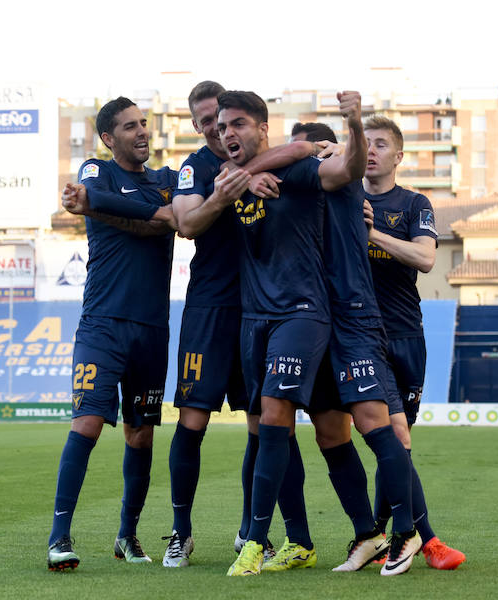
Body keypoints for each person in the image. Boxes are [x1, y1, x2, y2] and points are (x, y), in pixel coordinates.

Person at [221, 90, 419, 577]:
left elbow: (345, 163)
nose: (298, 157)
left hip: (354, 315)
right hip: (316, 319)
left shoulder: (333, 171)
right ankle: (367, 534)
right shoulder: (288, 182)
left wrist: (350, 129)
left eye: (310, 149)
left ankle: (412, 532)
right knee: (330, 431)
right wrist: (254, 172)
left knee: (383, 426)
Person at [162, 81, 303, 568]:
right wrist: (225, 194)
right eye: (206, 122)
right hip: (210, 307)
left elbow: (303, 157)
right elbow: (186, 223)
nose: (215, 129)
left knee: (261, 421)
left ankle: (249, 531)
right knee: (193, 420)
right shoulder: (196, 168)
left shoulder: (267, 161)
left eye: (220, 120)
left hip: (262, 308)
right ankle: (181, 532)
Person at [46, 96, 178, 571]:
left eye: (143, 123)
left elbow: (177, 213)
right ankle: (59, 537)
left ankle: (127, 535)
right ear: (108, 138)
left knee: (140, 435)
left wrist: (113, 209)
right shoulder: (96, 170)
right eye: (129, 126)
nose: (142, 132)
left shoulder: (168, 180)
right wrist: (156, 215)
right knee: (87, 422)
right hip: (102, 323)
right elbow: (96, 199)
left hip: (153, 328)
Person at [362, 116, 465, 570]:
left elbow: (425, 257)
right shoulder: (343, 199)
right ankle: (427, 540)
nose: (370, 150)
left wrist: (372, 234)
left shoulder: (414, 204)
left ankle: (376, 534)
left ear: (399, 156)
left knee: (396, 448)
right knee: (395, 436)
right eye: (365, 143)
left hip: (408, 334)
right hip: (364, 337)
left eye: (381, 144)